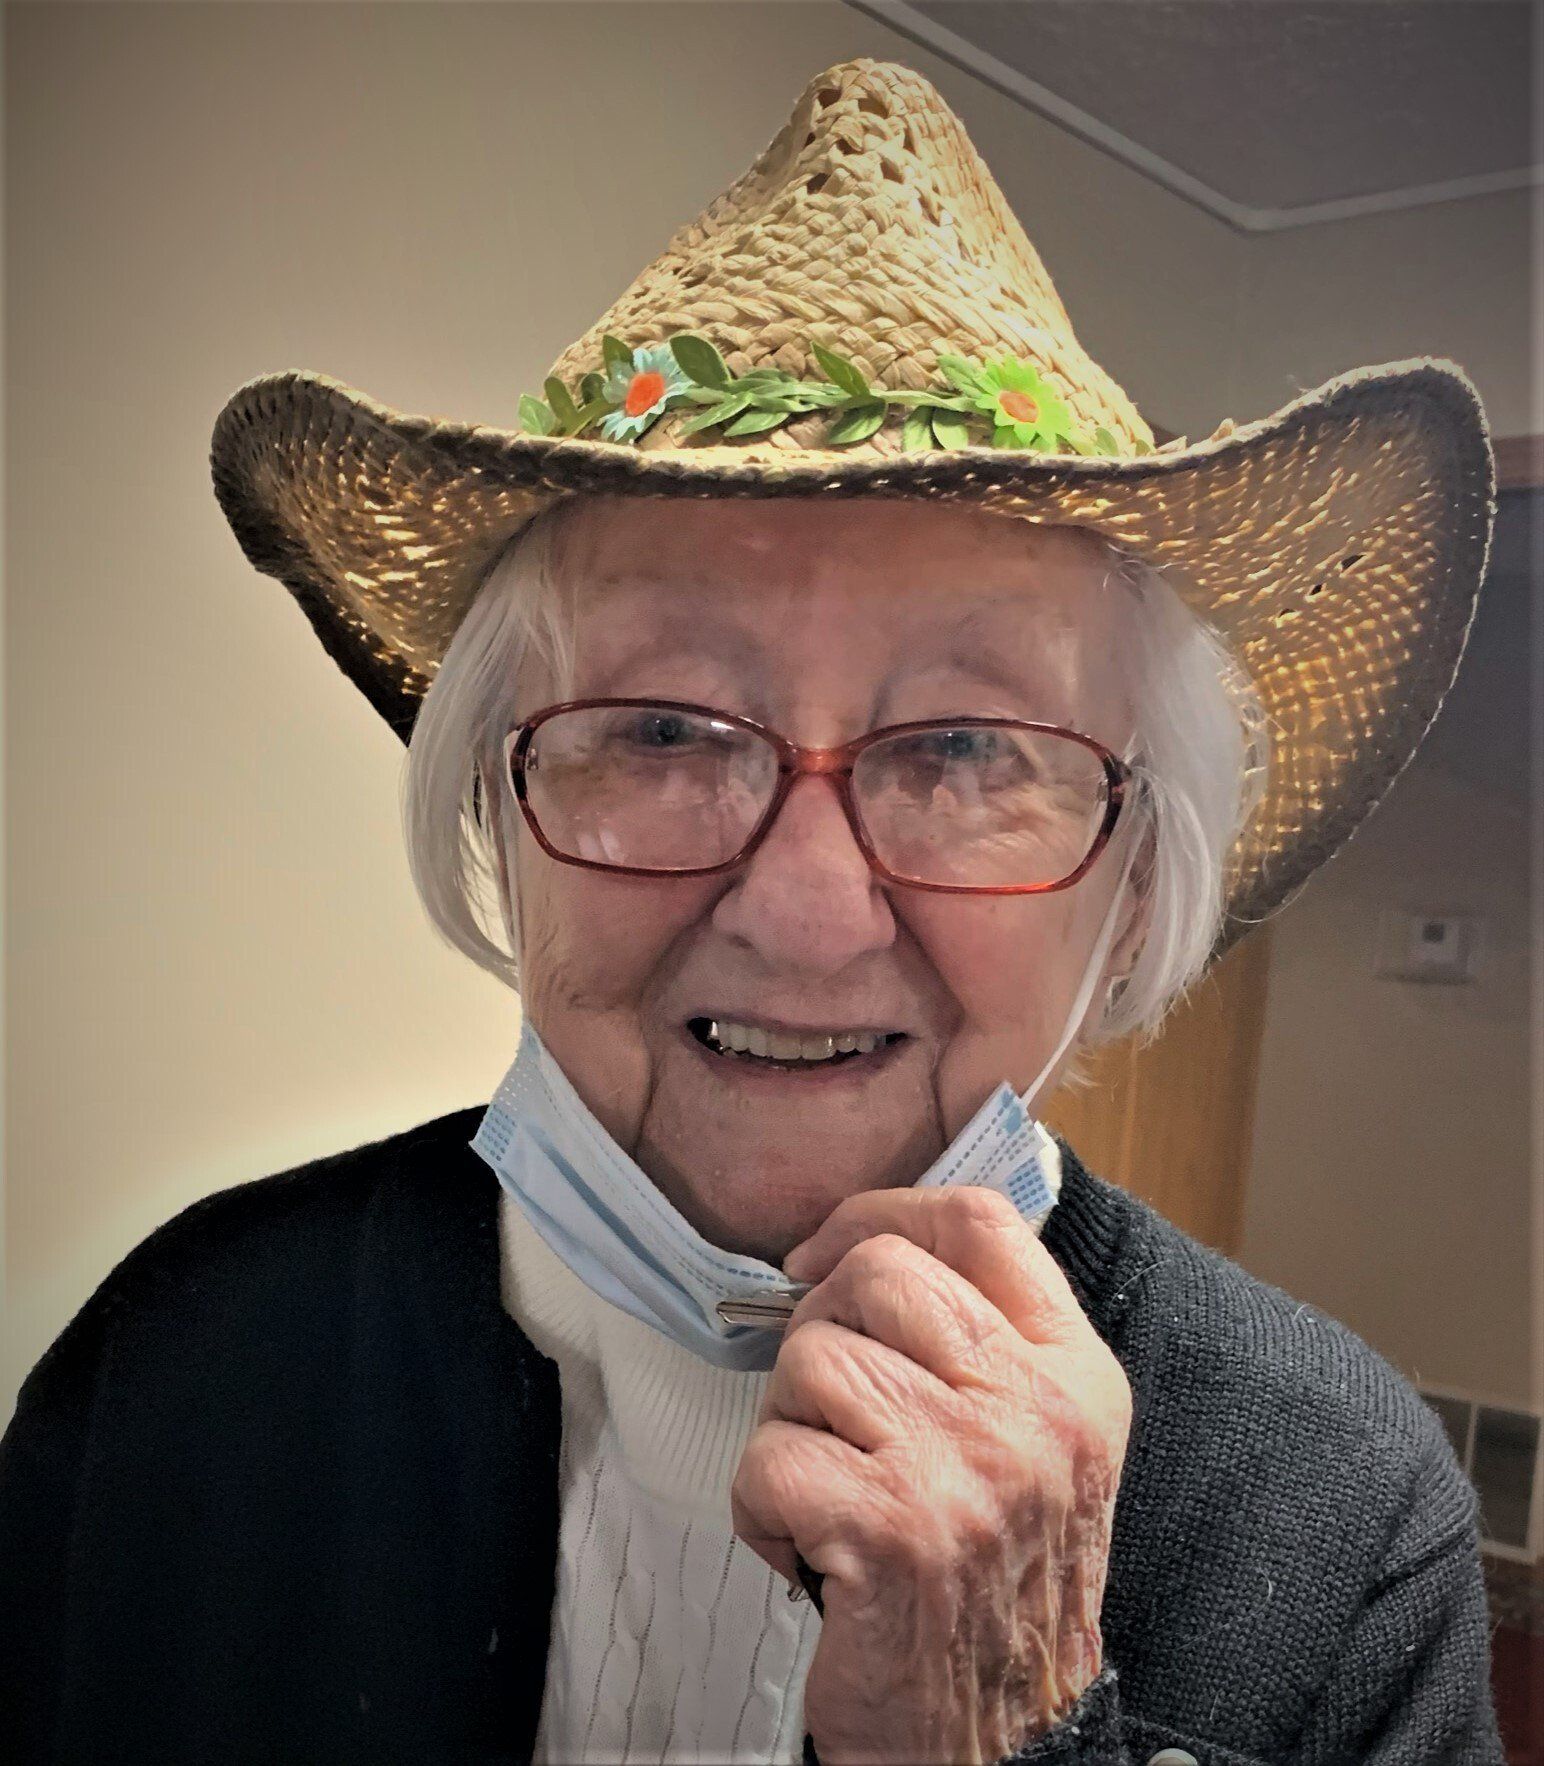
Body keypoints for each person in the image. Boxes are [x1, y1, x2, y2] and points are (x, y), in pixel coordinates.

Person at [0, 55, 1503, 1766]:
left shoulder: (1341, 1527)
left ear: (1136, 867)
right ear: (501, 795)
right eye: (658, 729)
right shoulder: (182, 1362)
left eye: (962, 745)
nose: (804, 914)